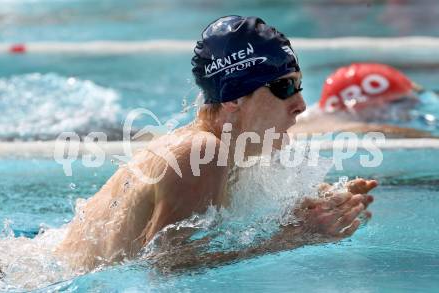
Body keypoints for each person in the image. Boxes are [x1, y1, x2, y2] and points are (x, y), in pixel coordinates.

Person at [55, 16, 376, 272]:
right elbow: (165, 266)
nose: (301, 104)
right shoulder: (201, 152)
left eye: (299, 85)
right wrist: (299, 236)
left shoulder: (241, 150)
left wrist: (325, 206)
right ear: (234, 98)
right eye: (283, 87)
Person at [292, 63, 438, 138]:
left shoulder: (332, 110)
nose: (412, 105)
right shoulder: (330, 124)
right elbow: (376, 129)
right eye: (398, 102)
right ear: (358, 105)